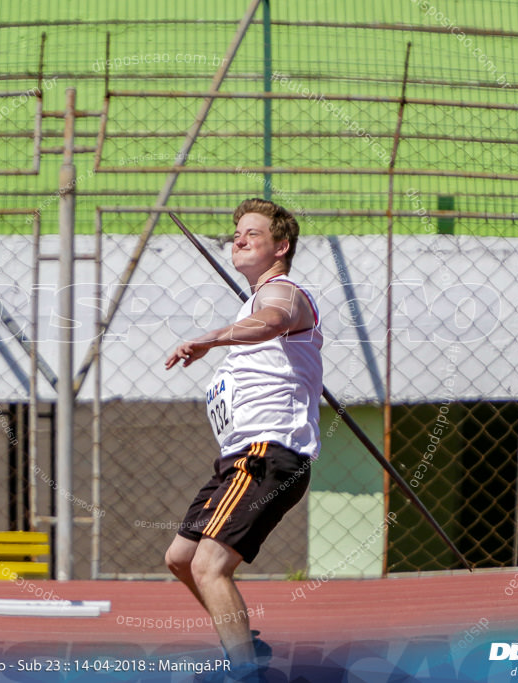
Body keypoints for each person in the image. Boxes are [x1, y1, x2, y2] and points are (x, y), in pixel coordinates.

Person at [164, 198, 322, 678]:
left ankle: (245, 670)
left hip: (269, 453)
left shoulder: (286, 292)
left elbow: (272, 320)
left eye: (252, 233)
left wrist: (213, 339)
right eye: (237, 234)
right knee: (181, 557)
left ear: (281, 246)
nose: (239, 238)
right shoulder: (254, 302)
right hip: (238, 457)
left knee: (210, 565)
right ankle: (244, 642)